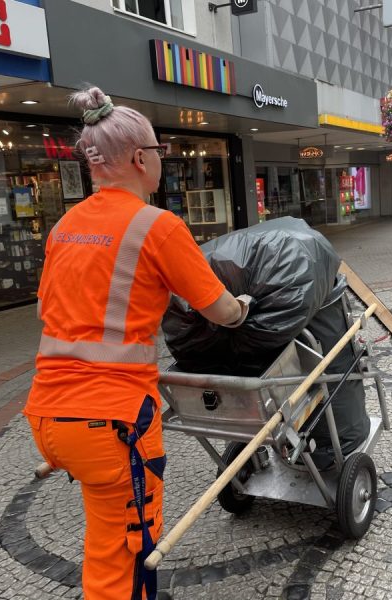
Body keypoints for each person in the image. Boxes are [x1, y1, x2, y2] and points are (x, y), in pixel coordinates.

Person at [24, 86, 251, 600]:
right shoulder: (157, 226)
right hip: (113, 424)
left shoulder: (64, 227)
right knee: (126, 551)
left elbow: (51, 310)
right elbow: (218, 308)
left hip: (49, 417)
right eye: (159, 153)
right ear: (139, 157)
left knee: (105, 535)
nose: (161, 163)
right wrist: (243, 310)